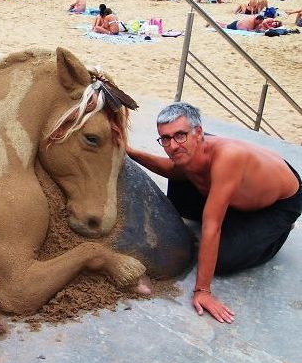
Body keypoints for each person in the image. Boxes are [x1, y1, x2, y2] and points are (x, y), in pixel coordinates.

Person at [126, 102, 302, 324]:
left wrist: (202, 291)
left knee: (223, 260)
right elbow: (172, 169)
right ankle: (230, 208)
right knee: (181, 183)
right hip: (238, 187)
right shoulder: (187, 147)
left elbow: (212, 226)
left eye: (180, 135)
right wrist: (130, 152)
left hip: (277, 203)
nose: (172, 145)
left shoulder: (228, 157)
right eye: (165, 139)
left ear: (198, 132)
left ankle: (280, 229)